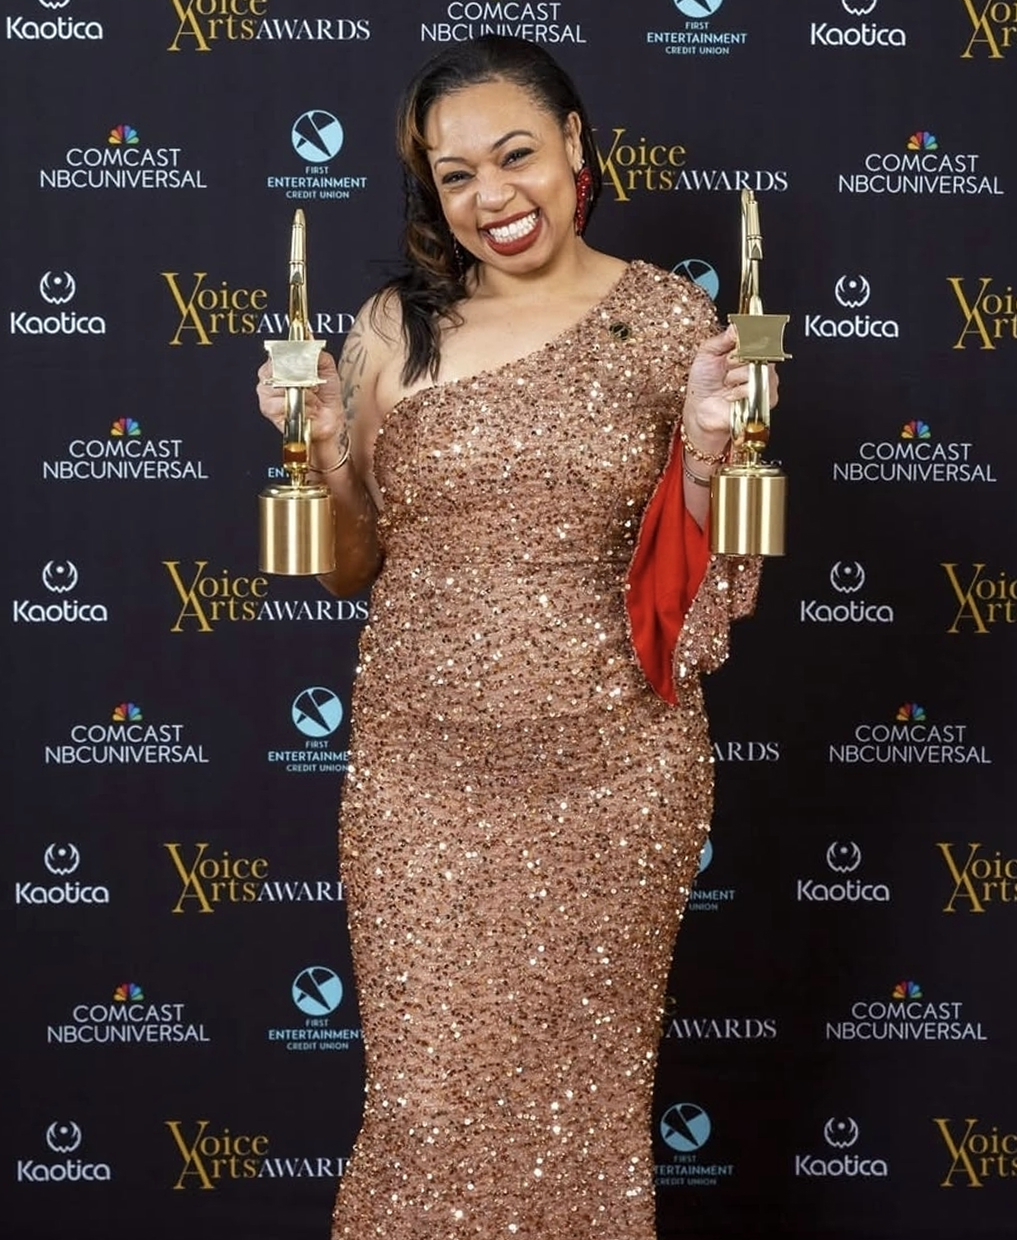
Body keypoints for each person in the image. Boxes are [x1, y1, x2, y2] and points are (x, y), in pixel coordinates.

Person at [257, 35, 772, 1240]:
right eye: (453, 175)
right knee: (425, 1107)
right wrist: (324, 445)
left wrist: (708, 444)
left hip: (615, 776)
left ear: (576, 147)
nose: (491, 196)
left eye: (515, 155)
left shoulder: (664, 315)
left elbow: (707, 557)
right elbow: (349, 564)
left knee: (583, 1117)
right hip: (420, 781)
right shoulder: (393, 327)